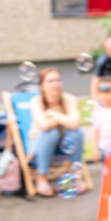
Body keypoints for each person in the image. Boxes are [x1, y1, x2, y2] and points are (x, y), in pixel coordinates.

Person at [28, 68, 87, 197]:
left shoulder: (69, 99)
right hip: (39, 148)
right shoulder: (36, 102)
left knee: (77, 133)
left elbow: (75, 124)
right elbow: (44, 126)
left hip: (63, 146)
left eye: (58, 80)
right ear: (42, 86)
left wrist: (53, 114)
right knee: (51, 133)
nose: (56, 84)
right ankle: (42, 178)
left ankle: (76, 176)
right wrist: (65, 119)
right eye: (50, 81)